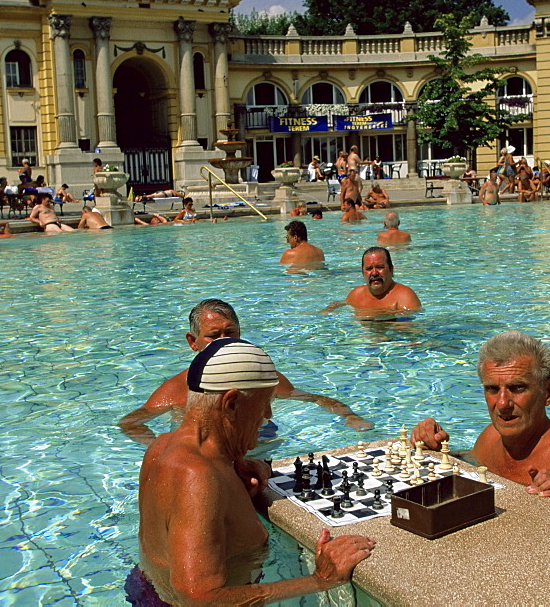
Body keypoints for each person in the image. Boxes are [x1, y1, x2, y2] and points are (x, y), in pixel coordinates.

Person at [133, 337, 376, 604]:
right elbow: (197, 599)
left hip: (147, 592)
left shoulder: (161, 446)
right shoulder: (199, 476)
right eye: (264, 403)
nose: (269, 414)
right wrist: (320, 580)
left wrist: (233, 477)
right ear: (231, 403)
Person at [411, 331, 550, 524]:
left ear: (548, 392)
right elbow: (471, 464)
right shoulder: (490, 437)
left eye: (517, 388)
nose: (502, 403)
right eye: (491, 389)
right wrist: (434, 444)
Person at [118, 299, 373, 444]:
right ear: (192, 341)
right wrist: (160, 447)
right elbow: (130, 422)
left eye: (230, 334)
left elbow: (313, 398)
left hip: (262, 449)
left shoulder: (259, 375)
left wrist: (350, 417)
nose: (223, 342)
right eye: (212, 336)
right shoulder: (176, 389)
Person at [324, 246, 422, 316]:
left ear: (391, 269)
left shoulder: (404, 297)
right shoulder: (356, 295)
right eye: (369, 268)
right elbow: (340, 304)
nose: (374, 273)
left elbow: (410, 331)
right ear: (363, 272)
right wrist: (328, 310)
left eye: (380, 267)